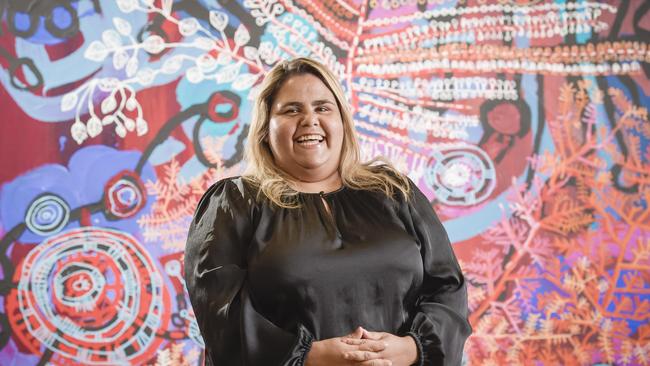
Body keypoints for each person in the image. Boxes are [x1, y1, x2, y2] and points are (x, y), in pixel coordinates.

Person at [184, 57, 471, 366]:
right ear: (267, 127)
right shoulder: (235, 202)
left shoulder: (394, 192)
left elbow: (447, 288)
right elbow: (221, 315)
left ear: (342, 121)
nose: (310, 120)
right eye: (292, 109)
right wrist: (309, 356)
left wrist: (411, 348)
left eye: (323, 108)